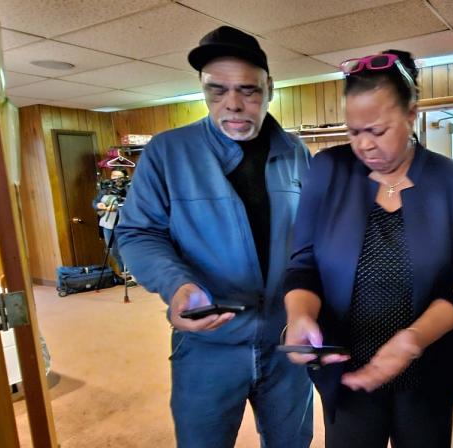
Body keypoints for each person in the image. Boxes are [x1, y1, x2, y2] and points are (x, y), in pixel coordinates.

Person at [116, 26, 313, 448]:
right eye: (216, 90)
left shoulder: (296, 152)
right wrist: (177, 285)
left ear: (270, 88)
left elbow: (312, 240)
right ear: (202, 89)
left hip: (285, 342)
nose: (234, 104)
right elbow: (137, 232)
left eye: (248, 90)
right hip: (208, 345)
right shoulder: (167, 152)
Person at [282, 50, 453, 448]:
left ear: (411, 115)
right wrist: (300, 317)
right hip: (348, 366)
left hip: (428, 367)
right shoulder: (328, 169)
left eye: (378, 130)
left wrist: (412, 341)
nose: (364, 145)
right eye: (354, 131)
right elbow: (303, 263)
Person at [94, 168, 128, 273]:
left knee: (126, 249)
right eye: (114, 176)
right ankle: (123, 272)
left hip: (125, 224)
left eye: (119, 176)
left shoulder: (129, 188)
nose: (116, 178)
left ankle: (131, 274)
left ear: (125, 178)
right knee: (113, 251)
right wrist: (98, 205)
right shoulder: (106, 189)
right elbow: (95, 202)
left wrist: (117, 208)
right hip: (108, 224)